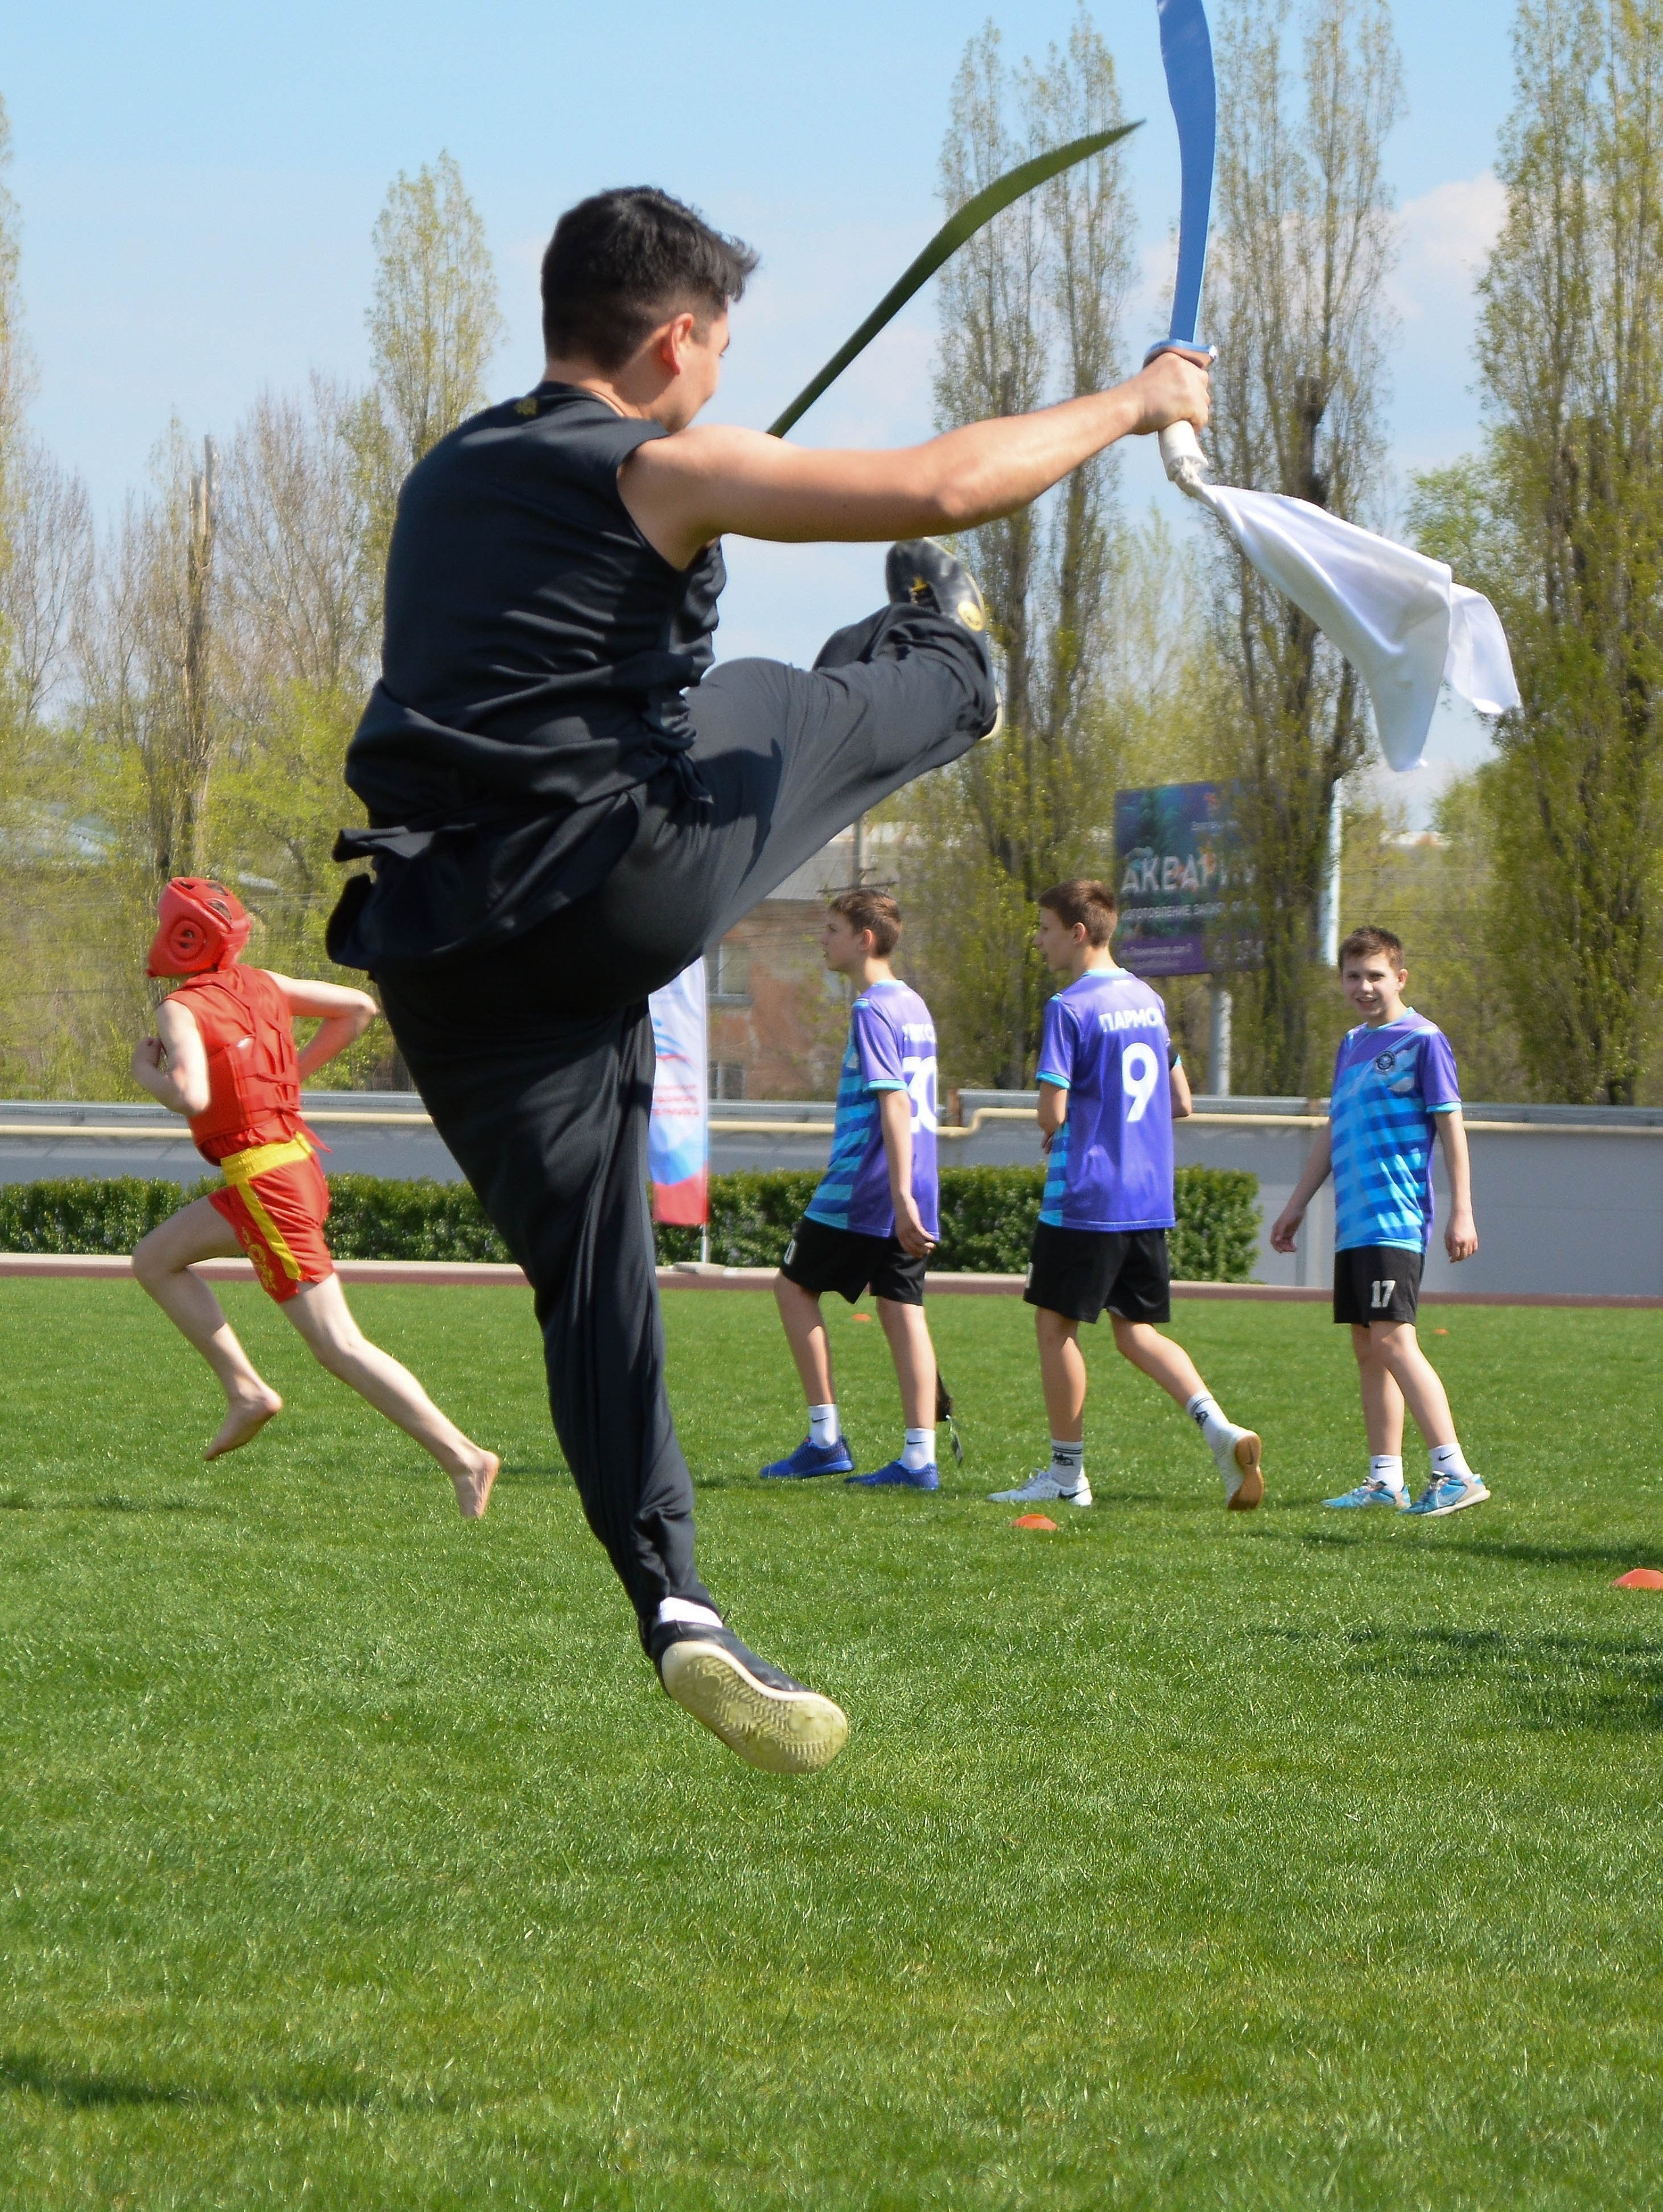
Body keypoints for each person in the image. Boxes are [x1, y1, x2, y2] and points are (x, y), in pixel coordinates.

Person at [324, 185, 1211, 1775]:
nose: (720, 378)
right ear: (675, 339)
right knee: (771, 703)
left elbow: (533, 639)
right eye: (719, 351)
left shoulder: (447, 471)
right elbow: (939, 481)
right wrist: (1138, 399)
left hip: (441, 951)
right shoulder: (659, 461)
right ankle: (948, 662)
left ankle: (675, 1602)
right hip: (609, 876)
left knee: (592, 1293)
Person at [128, 876, 498, 1516]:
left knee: (337, 1344)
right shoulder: (263, 982)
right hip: (288, 1168)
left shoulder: (181, 1007)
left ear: (181, 938)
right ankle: (245, 1391)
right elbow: (358, 1008)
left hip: (268, 1183)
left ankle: (464, 1457)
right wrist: (287, 1077)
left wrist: (144, 1074)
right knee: (155, 1258)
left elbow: (190, 1096)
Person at [989, 881, 1263, 1511]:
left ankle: (1066, 1476)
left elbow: (1050, 1110)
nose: (1039, 940)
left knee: (1055, 1325)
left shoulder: (1070, 1006)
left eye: (1046, 929)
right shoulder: (1148, 998)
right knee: (1135, 1331)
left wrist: (1058, 1128)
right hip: (1146, 1196)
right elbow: (1182, 1101)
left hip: (1086, 1195)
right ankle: (1219, 1429)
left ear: (1078, 933)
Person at [1269, 924, 1486, 1516]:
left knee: (1394, 1340)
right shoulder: (1350, 1044)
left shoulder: (1424, 1040)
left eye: (1375, 976)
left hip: (1396, 1217)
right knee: (1368, 1348)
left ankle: (1454, 1472)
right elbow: (1335, 1131)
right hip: (1355, 1224)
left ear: (1401, 978)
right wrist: (1296, 1205)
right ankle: (1385, 1480)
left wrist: (1462, 1209)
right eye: (1353, 976)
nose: (1363, 987)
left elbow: (1451, 1126)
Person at [763, 889, 945, 1490]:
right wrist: (913, 1191)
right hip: (916, 1179)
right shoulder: (915, 1005)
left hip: (865, 1188)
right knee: (901, 1307)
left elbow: (894, 1100)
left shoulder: (872, 1010)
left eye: (833, 929)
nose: (824, 938)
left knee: (793, 1287)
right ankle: (920, 1458)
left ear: (864, 938)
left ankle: (824, 1440)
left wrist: (896, 1196)